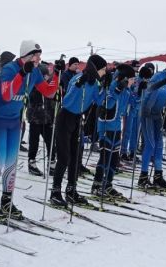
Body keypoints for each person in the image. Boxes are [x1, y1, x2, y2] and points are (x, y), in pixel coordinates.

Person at [0, 40, 60, 219]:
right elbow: (6, 94)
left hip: (14, 120)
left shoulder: (34, 71)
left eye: (39, 55)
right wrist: (21, 74)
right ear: (27, 56)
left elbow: (48, 92)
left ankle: (6, 200)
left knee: (11, 163)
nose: (39, 58)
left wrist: (56, 74)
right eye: (36, 55)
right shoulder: (10, 69)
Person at [49, 55, 107, 207]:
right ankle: (55, 192)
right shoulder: (78, 79)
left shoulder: (94, 83)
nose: (104, 73)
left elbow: (99, 101)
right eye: (103, 70)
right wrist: (78, 86)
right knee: (64, 157)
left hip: (76, 119)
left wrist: (105, 88)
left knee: (76, 156)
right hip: (65, 118)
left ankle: (71, 190)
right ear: (96, 68)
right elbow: (67, 100)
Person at [91, 64, 136, 198]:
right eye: (132, 79)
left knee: (114, 158)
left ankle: (108, 185)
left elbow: (135, 103)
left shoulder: (127, 91)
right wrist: (117, 90)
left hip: (116, 126)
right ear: (125, 78)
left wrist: (140, 93)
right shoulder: (111, 86)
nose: (134, 81)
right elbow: (107, 105)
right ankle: (97, 185)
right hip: (106, 125)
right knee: (105, 157)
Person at [27, 62, 56, 176]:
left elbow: (52, 100)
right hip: (35, 117)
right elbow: (31, 98)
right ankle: (32, 163)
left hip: (47, 118)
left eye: (48, 75)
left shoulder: (49, 84)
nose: (48, 77)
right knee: (34, 141)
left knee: (51, 141)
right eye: (46, 75)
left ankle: (52, 163)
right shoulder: (34, 84)